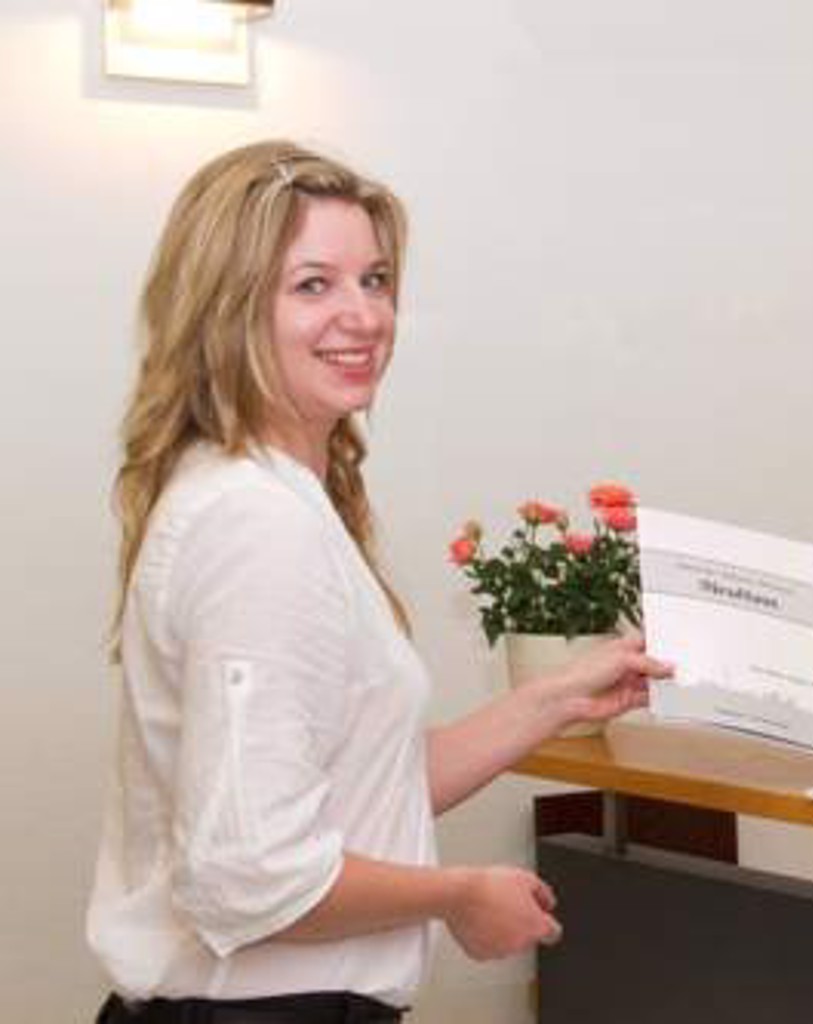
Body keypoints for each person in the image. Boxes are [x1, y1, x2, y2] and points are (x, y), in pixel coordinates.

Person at [87, 140, 672, 1023]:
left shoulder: (272, 496)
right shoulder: (257, 525)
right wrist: (457, 895)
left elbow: (363, 790)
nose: (363, 316)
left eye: (376, 280)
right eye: (312, 285)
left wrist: (556, 700)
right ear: (226, 310)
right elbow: (249, 876)